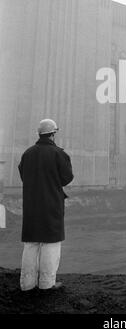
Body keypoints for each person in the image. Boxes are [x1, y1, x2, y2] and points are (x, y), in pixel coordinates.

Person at [18, 118, 74, 292]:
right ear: (53, 134)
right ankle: (46, 284)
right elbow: (67, 178)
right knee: (50, 244)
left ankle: (27, 285)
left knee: (31, 244)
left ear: (39, 134)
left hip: (31, 206)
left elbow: (23, 175)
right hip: (51, 205)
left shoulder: (27, 153)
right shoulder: (59, 154)